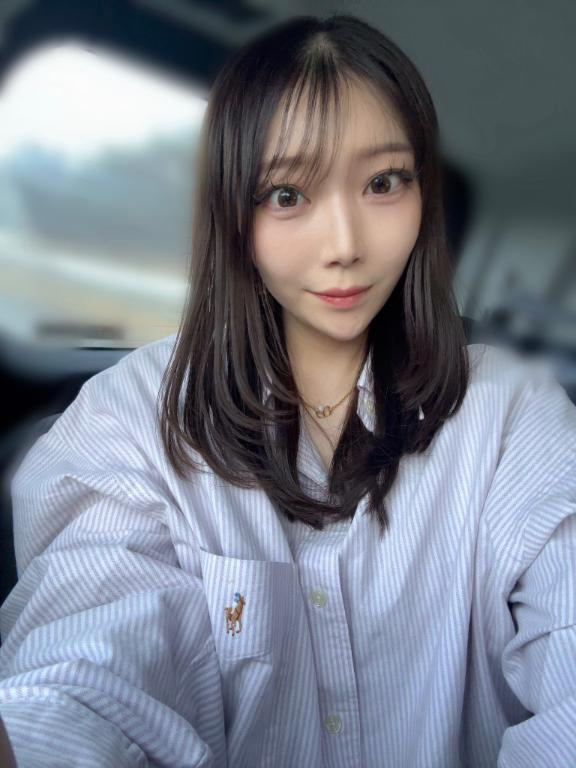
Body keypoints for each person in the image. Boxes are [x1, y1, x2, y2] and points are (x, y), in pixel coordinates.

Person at [0, 12, 575, 768]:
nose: (344, 246)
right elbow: (90, 669)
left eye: (383, 183)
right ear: (232, 210)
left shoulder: (512, 414)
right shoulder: (130, 419)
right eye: (286, 194)